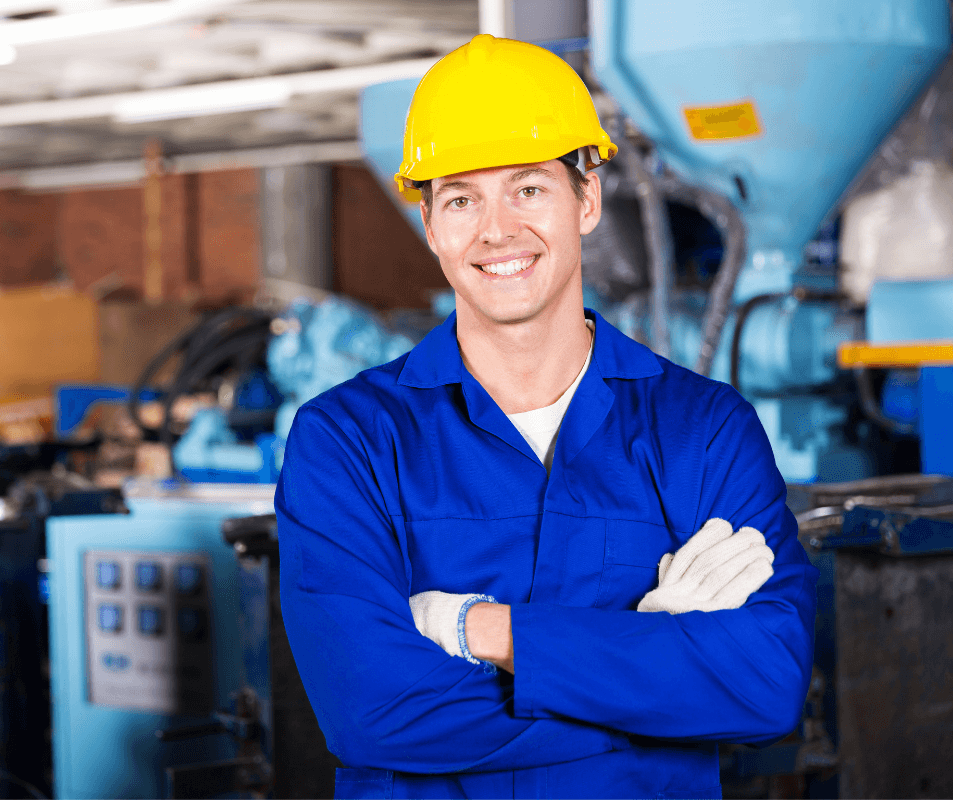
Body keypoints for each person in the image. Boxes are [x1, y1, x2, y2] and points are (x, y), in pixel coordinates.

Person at [275, 34, 817, 799]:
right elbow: (376, 713)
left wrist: (484, 630)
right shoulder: (348, 441)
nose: (497, 230)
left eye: (528, 189)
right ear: (430, 225)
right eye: (462, 198)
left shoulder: (704, 429)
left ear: (586, 200)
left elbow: (767, 683)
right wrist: (649, 661)